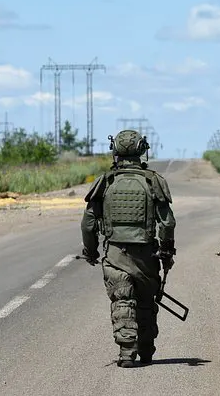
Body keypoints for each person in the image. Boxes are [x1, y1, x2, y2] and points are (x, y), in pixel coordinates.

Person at [80, 129, 176, 368]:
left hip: (115, 253)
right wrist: (166, 252)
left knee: (122, 300)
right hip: (146, 256)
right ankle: (146, 349)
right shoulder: (153, 181)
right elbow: (167, 223)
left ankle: (126, 351)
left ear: (115, 151)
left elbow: (88, 222)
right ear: (142, 149)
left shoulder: (106, 182)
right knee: (145, 302)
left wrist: (91, 251)